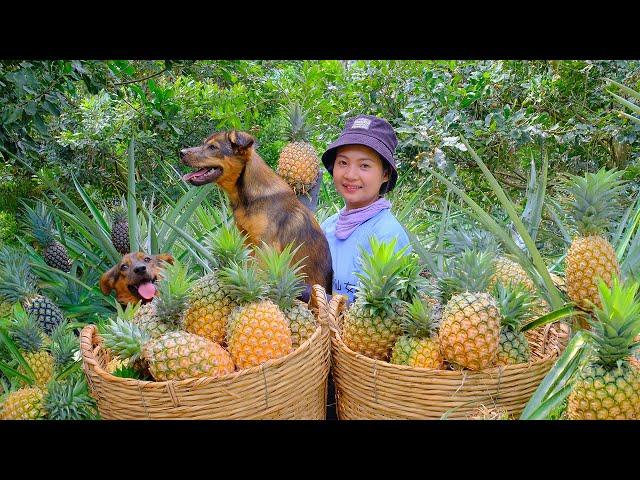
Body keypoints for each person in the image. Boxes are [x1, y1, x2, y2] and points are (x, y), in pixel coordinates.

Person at [320, 114, 412, 305]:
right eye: (343, 163)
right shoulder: (328, 227)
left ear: (385, 174)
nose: (350, 175)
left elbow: (390, 312)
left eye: (364, 165)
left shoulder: (388, 235)